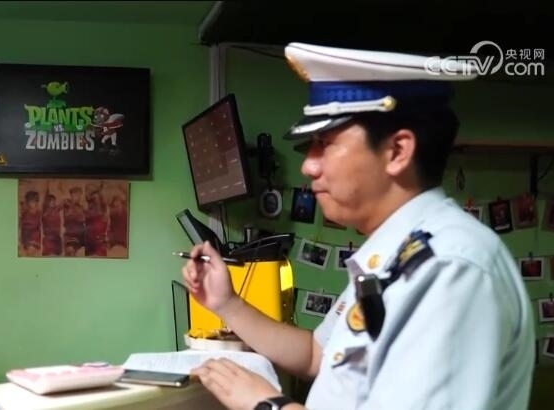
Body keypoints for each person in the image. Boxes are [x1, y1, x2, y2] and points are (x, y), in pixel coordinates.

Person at [182, 42, 535, 410]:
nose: (308, 166)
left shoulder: (448, 268)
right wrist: (227, 303)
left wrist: (267, 404)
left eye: (325, 143)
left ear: (397, 151)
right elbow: (316, 355)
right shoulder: (392, 254)